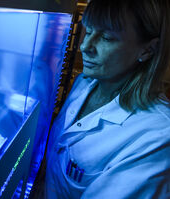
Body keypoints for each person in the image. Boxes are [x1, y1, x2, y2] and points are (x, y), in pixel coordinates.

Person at [45, 0, 170, 198]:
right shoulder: (85, 83)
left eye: (106, 37)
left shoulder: (157, 137)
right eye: (89, 30)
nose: (85, 46)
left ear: (148, 50)